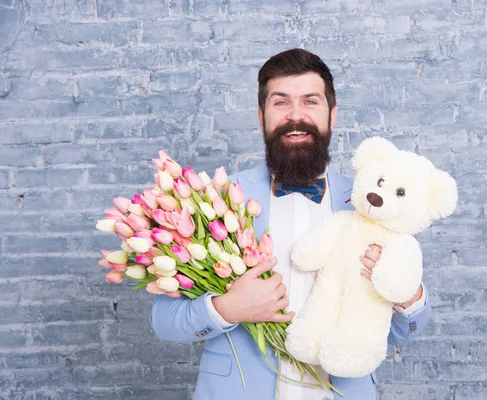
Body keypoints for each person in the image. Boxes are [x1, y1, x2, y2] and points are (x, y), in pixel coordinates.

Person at [150, 48, 432, 400]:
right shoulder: (214, 200)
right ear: (261, 116)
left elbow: (407, 331)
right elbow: (164, 320)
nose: (295, 116)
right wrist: (227, 308)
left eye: (310, 102)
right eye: (280, 103)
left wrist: (408, 296)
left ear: (332, 114)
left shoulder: (375, 202)